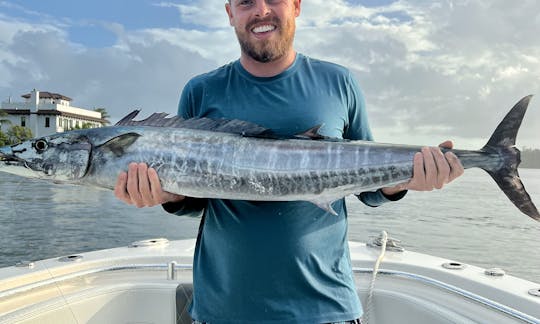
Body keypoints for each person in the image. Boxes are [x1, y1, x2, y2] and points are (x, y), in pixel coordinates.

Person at [114, 0, 464, 323]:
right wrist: (166, 196)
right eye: (246, 2)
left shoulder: (339, 82)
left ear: (296, 6)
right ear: (230, 13)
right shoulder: (201, 90)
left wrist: (404, 179)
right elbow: (197, 200)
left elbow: (369, 191)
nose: (261, 11)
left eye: (274, 0)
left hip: (326, 307)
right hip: (223, 309)